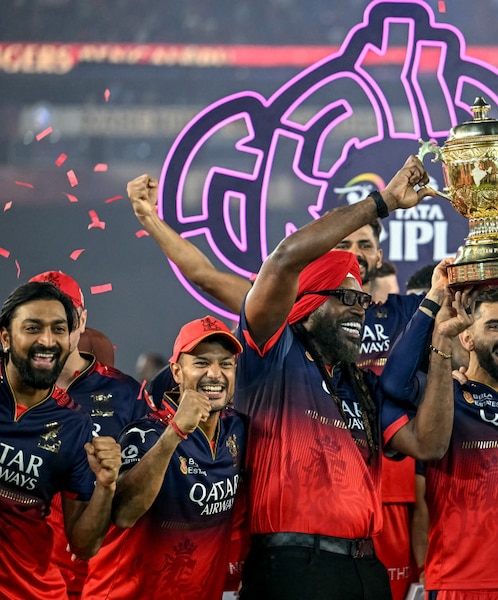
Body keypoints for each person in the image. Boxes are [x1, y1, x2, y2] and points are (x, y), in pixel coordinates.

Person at [127, 173, 428, 600]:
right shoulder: (276, 340)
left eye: (364, 245)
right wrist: (382, 201)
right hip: (297, 556)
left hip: (371, 542)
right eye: (340, 242)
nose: (353, 254)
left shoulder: (400, 316)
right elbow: (216, 273)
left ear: (380, 256)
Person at [233, 155, 461, 600]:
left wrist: (441, 344)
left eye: (362, 301)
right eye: (345, 298)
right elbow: (283, 259)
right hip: (294, 568)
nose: (359, 310)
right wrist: (382, 202)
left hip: (364, 568)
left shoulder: (360, 386)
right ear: (306, 303)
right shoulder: (271, 354)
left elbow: (428, 444)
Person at [380, 283, 498, 599]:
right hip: (457, 584)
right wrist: (435, 318)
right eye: (495, 326)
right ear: (467, 337)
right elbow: (394, 383)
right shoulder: (443, 394)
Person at [83, 315, 247, 599]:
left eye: (226, 364)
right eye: (201, 363)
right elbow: (123, 513)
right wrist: (175, 432)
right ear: (177, 372)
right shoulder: (144, 434)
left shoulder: (238, 430)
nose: (215, 374)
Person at [27, 271, 149, 598]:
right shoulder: (7, 388)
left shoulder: (126, 393)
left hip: (99, 576)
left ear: (81, 320)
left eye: (61, 318)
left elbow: (141, 492)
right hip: (22, 575)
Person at [0, 281, 121, 599]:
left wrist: (106, 486)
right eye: (32, 328)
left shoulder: (74, 424)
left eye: (58, 329)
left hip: (31, 591)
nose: (47, 340)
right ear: (5, 337)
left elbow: (83, 545)